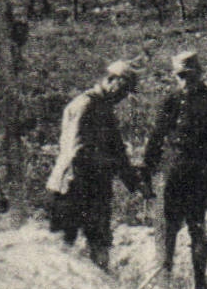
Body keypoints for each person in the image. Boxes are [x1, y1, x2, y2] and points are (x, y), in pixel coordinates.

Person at [141, 50, 207, 289]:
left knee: (199, 234)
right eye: (180, 76)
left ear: (200, 74)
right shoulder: (170, 102)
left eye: (190, 75)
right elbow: (155, 139)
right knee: (166, 233)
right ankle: (163, 288)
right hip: (172, 179)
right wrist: (146, 176)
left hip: (200, 179)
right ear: (174, 77)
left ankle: (200, 287)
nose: (185, 81)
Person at [45, 60, 143, 271]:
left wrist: (134, 182)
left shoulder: (104, 108)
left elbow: (117, 150)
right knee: (62, 251)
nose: (124, 96)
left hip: (93, 189)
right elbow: (77, 152)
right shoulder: (86, 105)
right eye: (123, 89)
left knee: (100, 246)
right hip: (71, 188)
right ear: (110, 80)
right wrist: (110, 167)